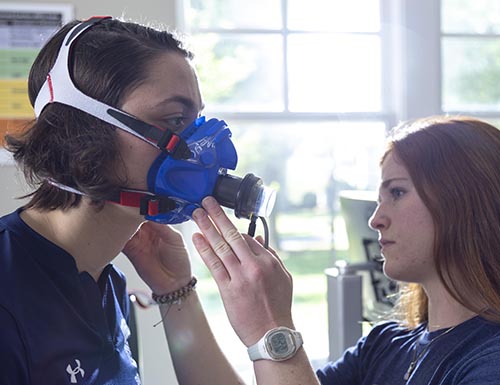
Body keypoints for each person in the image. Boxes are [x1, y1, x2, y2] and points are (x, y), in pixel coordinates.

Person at [0, 16, 249, 385]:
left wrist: (176, 291)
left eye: (197, 119)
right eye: (177, 119)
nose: (204, 147)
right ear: (86, 127)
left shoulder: (108, 283)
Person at [191, 116, 500, 384]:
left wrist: (271, 329)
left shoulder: (491, 361)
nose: (376, 219)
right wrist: (176, 290)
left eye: (397, 192)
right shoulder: (385, 346)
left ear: (466, 200)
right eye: (380, 198)